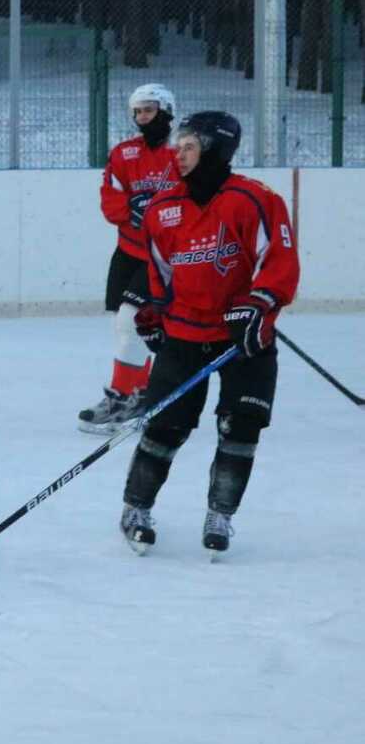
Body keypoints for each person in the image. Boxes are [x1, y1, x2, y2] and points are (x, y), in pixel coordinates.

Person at [118, 111, 299, 557]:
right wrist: (154, 313)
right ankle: (135, 508)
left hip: (244, 339)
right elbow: (160, 273)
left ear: (215, 149)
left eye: (189, 147)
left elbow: (277, 260)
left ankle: (221, 515)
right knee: (165, 427)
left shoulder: (254, 199)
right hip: (184, 335)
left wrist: (259, 304)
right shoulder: (163, 209)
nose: (177, 155)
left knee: (241, 427)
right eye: (177, 146)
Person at [81, 82, 181, 433]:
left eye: (149, 110)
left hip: (164, 258)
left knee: (131, 320)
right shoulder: (124, 154)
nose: (142, 118)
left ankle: (123, 396)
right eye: (137, 112)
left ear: (166, 110)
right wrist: (130, 209)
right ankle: (141, 393)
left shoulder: (182, 152)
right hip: (128, 251)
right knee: (123, 326)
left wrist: (163, 211)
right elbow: (110, 197)